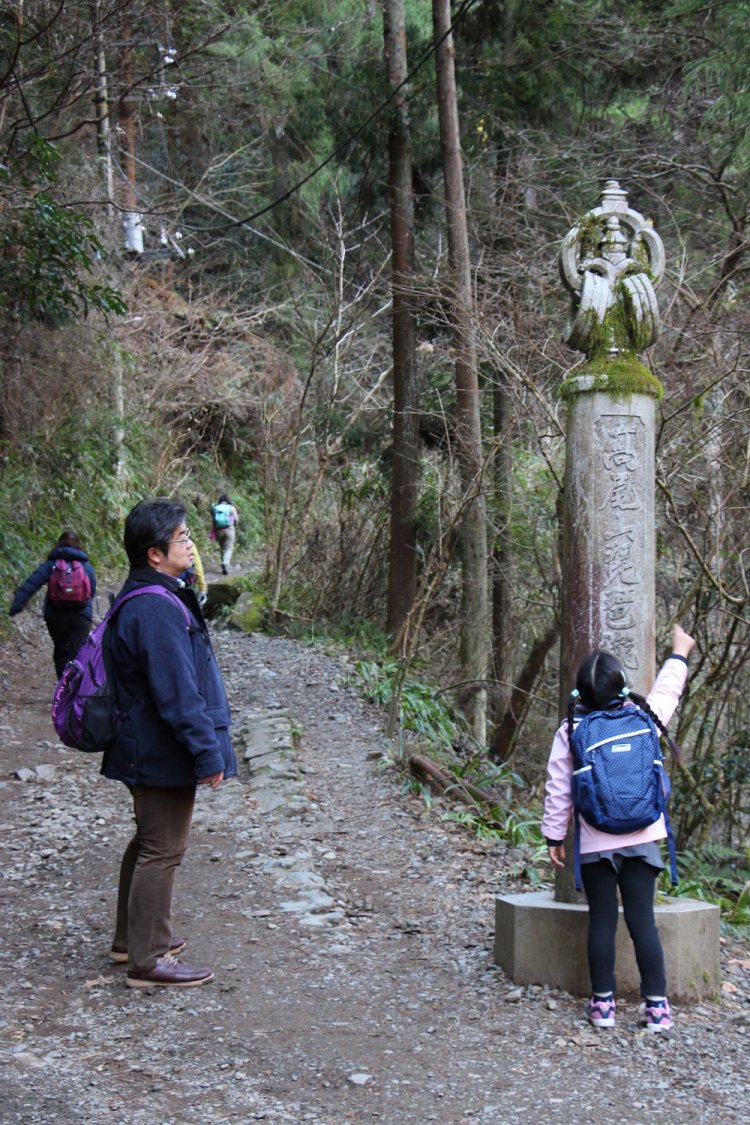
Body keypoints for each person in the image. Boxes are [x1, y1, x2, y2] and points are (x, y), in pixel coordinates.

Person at [103, 497, 237, 988]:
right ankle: (148, 959)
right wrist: (207, 751)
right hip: (160, 750)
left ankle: (129, 941)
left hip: (147, 745)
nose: (191, 543)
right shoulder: (156, 609)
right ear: (154, 554)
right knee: (164, 848)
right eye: (182, 538)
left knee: (148, 842)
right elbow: (178, 693)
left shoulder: (149, 595)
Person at [542, 624, 695, 1033]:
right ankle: (657, 1008)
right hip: (644, 838)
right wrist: (679, 651)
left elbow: (559, 789)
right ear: (622, 686)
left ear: (580, 694)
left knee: (603, 921)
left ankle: (603, 1006)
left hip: (595, 842)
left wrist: (554, 837)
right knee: (642, 920)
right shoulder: (645, 716)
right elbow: (668, 690)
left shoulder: (571, 731)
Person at [8, 530, 97, 677]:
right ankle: (75, 691)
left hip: (55, 616)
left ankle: (62, 688)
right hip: (80, 616)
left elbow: (32, 584)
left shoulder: (52, 564)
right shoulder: (85, 565)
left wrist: (16, 606)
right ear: (78, 545)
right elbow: (91, 591)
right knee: (78, 653)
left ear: (59, 544)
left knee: (61, 650)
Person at [210, 493, 239, 575]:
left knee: (222, 548)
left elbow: (213, 521)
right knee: (229, 548)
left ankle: (224, 564)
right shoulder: (231, 508)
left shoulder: (215, 508)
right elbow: (236, 519)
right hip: (229, 529)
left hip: (218, 531)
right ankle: (225, 563)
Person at [180, 541, 208, 607]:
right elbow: (198, 568)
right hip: (188, 583)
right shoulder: (188, 542)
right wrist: (202, 588)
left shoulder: (158, 541)